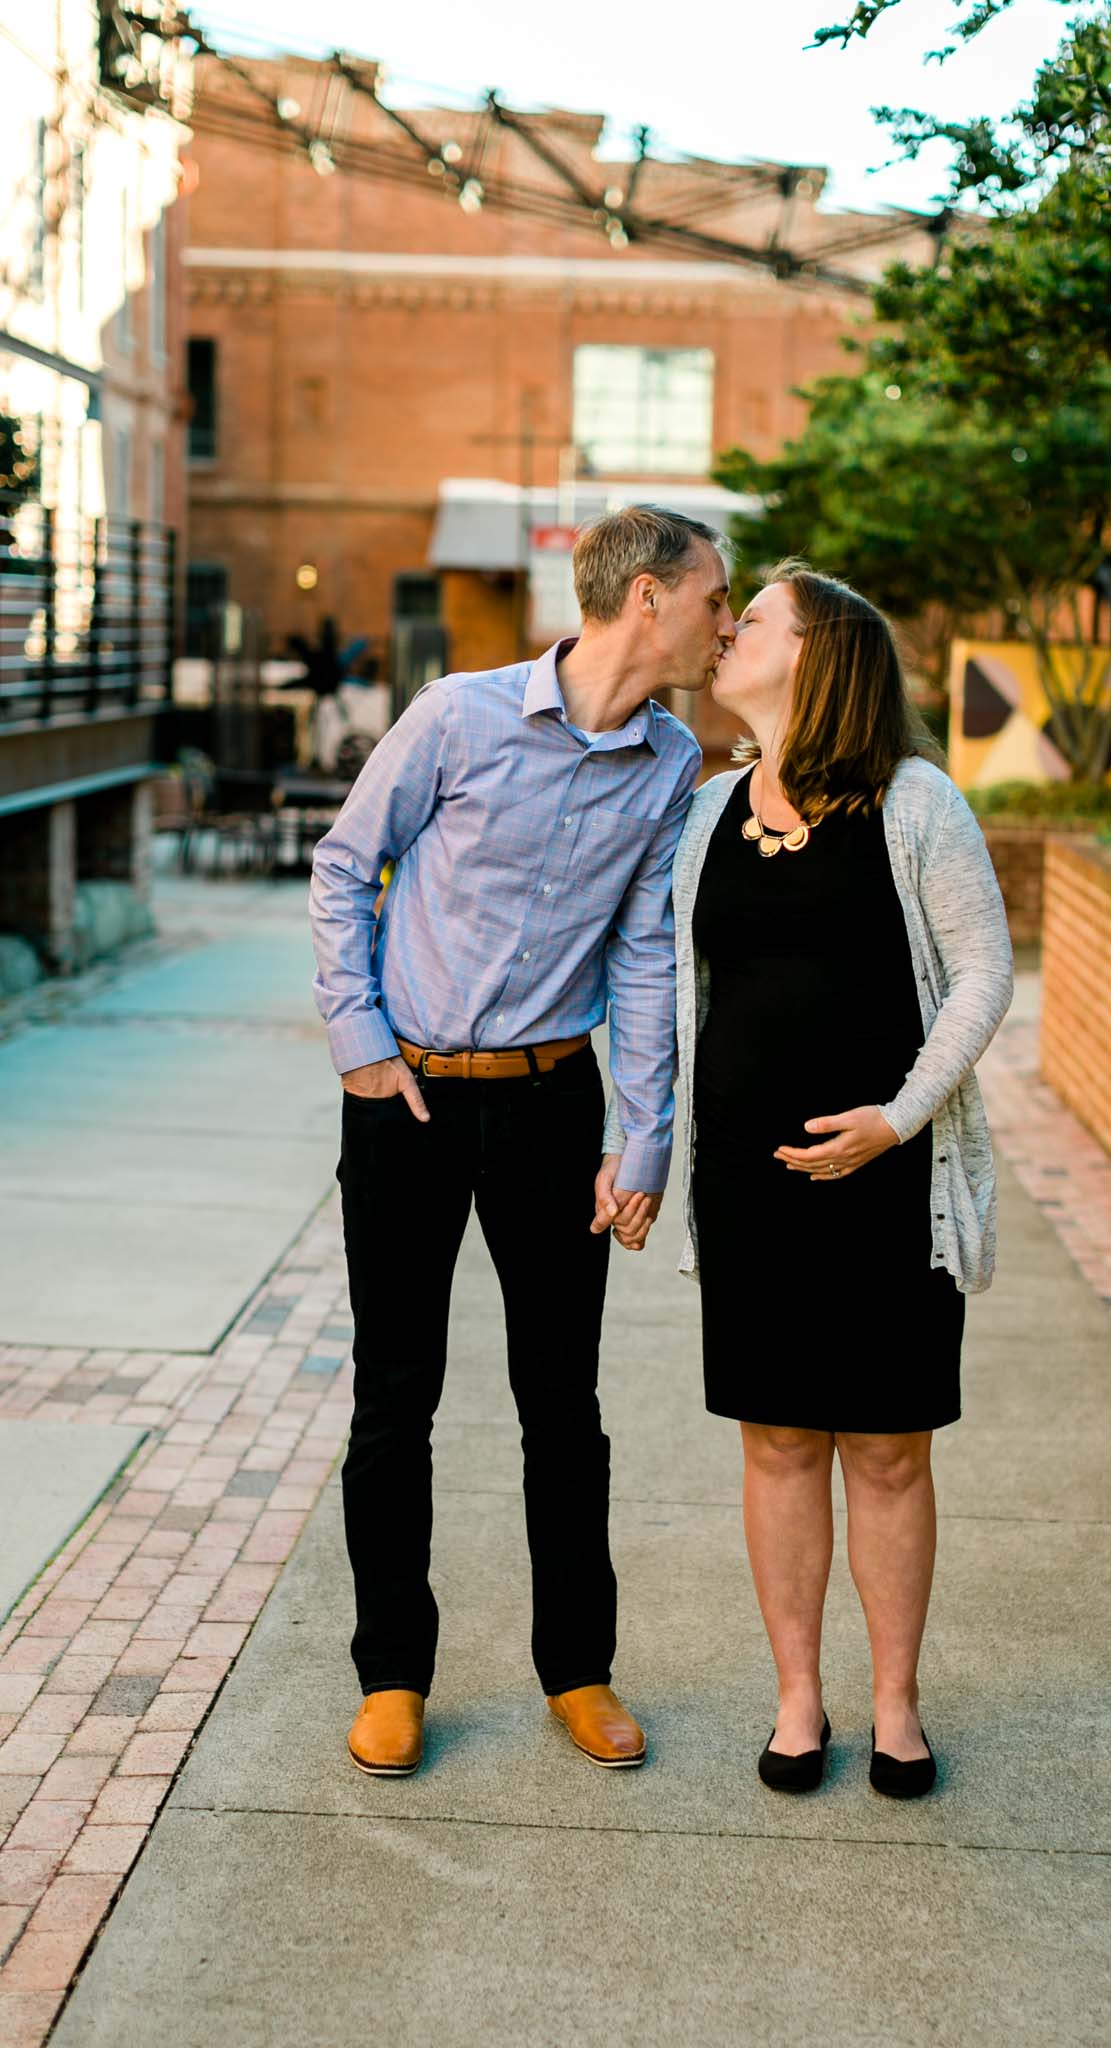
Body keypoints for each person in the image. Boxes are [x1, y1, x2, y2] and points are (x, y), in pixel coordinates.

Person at [309, 505, 736, 1777]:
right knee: (397, 1396)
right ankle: (392, 1671)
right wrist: (361, 1041)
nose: (727, 618)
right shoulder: (458, 713)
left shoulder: (672, 766)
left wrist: (644, 1134)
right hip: (409, 1099)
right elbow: (346, 864)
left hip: (553, 1103)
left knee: (564, 1402)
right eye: (717, 594)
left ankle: (579, 1668)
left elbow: (646, 954)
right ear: (648, 598)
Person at [601, 562, 1012, 1797]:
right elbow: (674, 986)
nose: (728, 632)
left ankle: (895, 1704)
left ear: (818, 655)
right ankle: (797, 1700)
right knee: (777, 1437)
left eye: (755, 619)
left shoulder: (918, 804)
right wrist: (650, 1147)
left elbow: (984, 974)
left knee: (888, 1447)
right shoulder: (708, 810)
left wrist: (897, 1118)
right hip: (749, 1182)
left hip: (886, 1181)